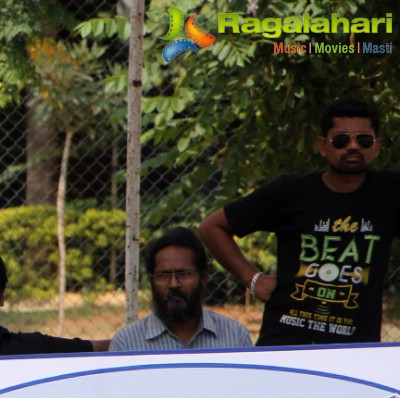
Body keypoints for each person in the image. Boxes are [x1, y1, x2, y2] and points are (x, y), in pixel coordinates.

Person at [198, 97, 400, 346]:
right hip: (287, 344)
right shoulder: (290, 192)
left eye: (364, 139)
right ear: (322, 146)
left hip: (355, 349)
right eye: (341, 139)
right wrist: (253, 280)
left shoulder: (391, 193)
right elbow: (212, 228)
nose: (353, 146)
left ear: (377, 146)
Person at [109, 227, 253, 351]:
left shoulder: (235, 337)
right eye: (163, 275)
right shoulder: (127, 344)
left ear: (203, 277)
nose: (173, 284)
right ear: (152, 280)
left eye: (183, 274)